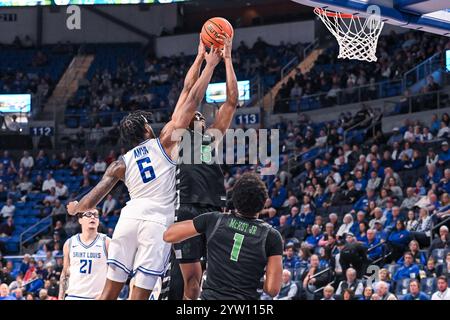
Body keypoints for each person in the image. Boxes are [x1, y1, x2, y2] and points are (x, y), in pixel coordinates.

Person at [66, 39, 222, 300]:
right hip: (157, 223)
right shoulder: (165, 141)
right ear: (146, 130)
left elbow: (92, 198)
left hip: (128, 220)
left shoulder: (120, 163)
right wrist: (209, 64)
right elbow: (191, 97)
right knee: (139, 296)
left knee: (108, 293)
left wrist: (76, 208)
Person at [171, 34, 239, 300]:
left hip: (215, 211)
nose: (199, 115)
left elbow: (231, 101)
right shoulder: (177, 135)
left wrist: (228, 59)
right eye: (195, 115)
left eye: (201, 116)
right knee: (192, 283)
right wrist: (202, 60)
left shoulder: (212, 138)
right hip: (187, 208)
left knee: (218, 280)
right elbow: (189, 94)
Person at [163, 173, 283, 300]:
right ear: (264, 202)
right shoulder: (271, 236)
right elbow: (272, 289)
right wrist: (251, 276)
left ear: (234, 199)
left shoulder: (215, 220)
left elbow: (169, 235)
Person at [59, 209, 110, 300]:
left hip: (96, 297)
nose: (93, 217)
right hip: (73, 296)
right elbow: (65, 274)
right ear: (80, 220)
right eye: (89, 214)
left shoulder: (106, 242)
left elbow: (114, 273)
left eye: (96, 215)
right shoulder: (70, 243)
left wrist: (105, 294)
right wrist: (60, 297)